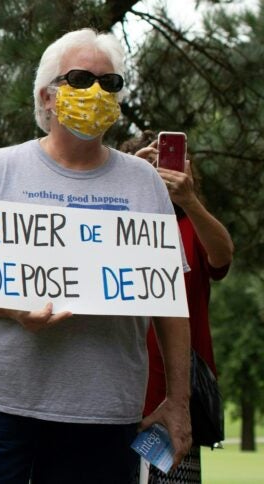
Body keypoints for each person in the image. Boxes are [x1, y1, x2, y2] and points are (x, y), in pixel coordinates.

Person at [0, 28, 192, 483]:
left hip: (103, 412)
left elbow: (170, 302)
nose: (97, 92)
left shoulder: (144, 183)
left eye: (109, 83)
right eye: (80, 79)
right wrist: (12, 306)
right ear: (46, 96)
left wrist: (179, 402)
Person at [123, 131, 234, 484]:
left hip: (171, 403)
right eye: (148, 164)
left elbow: (222, 257)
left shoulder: (189, 225)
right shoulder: (116, 224)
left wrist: (190, 201)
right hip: (112, 394)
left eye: (168, 162)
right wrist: (123, 183)